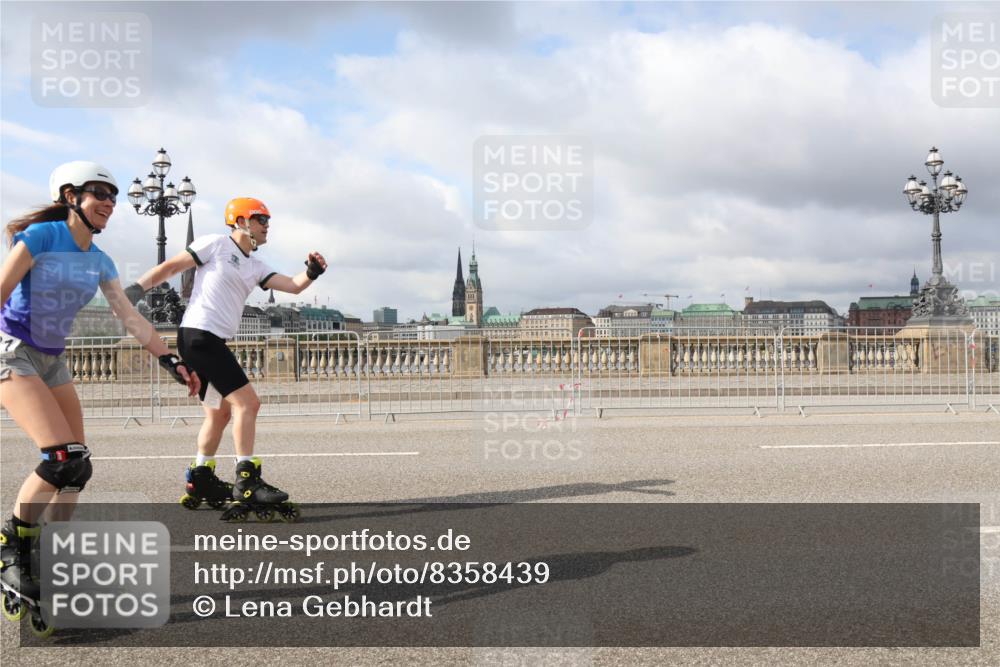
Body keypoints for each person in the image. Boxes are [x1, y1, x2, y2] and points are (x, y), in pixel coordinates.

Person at [0, 161, 199, 627]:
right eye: (99, 194)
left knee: (77, 468)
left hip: (52, 359)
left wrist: (171, 360)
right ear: (71, 196)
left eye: (113, 195)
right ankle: (14, 550)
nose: (110, 202)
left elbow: (130, 319)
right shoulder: (42, 238)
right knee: (60, 458)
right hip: (12, 351)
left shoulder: (101, 260)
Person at [125, 197, 326, 522]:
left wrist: (312, 272)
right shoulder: (216, 244)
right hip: (199, 336)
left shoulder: (255, 266)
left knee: (219, 413)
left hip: (210, 340)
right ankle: (247, 480)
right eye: (262, 220)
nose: (267, 226)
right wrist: (136, 289)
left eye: (268, 221)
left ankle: (200, 477)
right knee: (248, 404)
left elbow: (292, 286)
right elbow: (172, 267)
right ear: (242, 220)